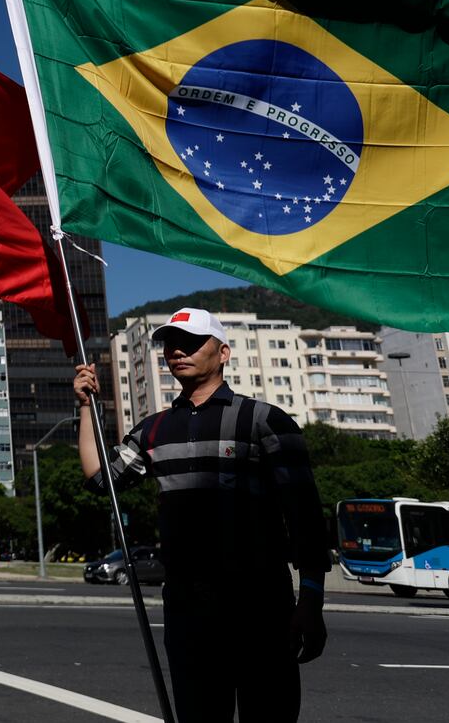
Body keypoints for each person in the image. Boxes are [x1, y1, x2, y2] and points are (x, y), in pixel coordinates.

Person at [74, 306, 329, 722]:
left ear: (224, 353)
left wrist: (312, 601)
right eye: (171, 344)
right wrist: (86, 407)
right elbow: (101, 479)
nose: (178, 350)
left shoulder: (265, 421)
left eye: (192, 342)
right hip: (189, 610)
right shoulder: (152, 430)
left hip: (261, 607)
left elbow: (305, 518)